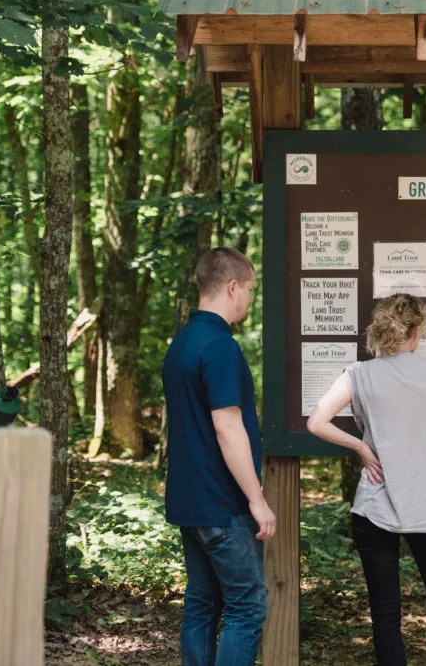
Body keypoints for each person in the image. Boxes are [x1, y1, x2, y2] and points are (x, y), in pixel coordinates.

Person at [307, 294, 426, 665]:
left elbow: (316, 422)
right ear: (415, 332)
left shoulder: (359, 375)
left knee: (385, 618)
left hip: (375, 506)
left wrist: (362, 449)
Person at [162, 247, 276, 665]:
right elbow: (228, 428)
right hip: (222, 505)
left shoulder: (182, 343)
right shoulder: (221, 347)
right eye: (248, 289)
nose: (249, 298)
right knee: (247, 607)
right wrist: (256, 498)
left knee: (202, 603)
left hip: (189, 501)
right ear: (232, 287)